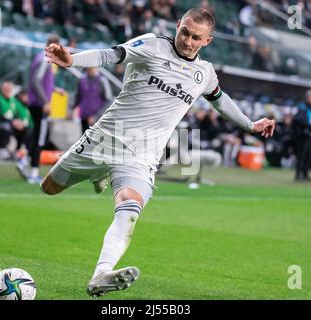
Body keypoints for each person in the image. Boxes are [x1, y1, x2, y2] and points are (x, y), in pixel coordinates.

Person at [44, 8, 275, 297]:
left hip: (142, 156)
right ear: (178, 26)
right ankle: (100, 174)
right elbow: (111, 55)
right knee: (49, 187)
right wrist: (72, 60)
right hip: (104, 140)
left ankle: (101, 273)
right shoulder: (152, 45)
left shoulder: (204, 73)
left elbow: (220, 100)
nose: (188, 41)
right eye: (185, 32)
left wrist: (251, 125)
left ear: (208, 41)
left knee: (129, 209)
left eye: (196, 37)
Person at [19, 35, 60, 184]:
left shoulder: (39, 57)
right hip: (39, 103)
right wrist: (45, 102)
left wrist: (55, 89)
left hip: (34, 102)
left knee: (39, 133)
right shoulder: (45, 59)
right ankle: (33, 172)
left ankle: (25, 160)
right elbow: (36, 81)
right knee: (40, 137)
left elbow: (40, 81)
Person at [74, 67, 113, 133]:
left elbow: (108, 101)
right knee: (84, 138)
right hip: (84, 117)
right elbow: (78, 97)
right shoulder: (82, 80)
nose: (90, 68)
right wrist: (74, 109)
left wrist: (96, 116)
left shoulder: (102, 80)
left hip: (97, 119)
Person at [292, 89, 311, 182]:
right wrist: (310, 126)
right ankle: (298, 174)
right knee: (302, 156)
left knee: (309, 155)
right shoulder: (302, 107)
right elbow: (298, 120)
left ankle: (305, 174)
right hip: (303, 136)